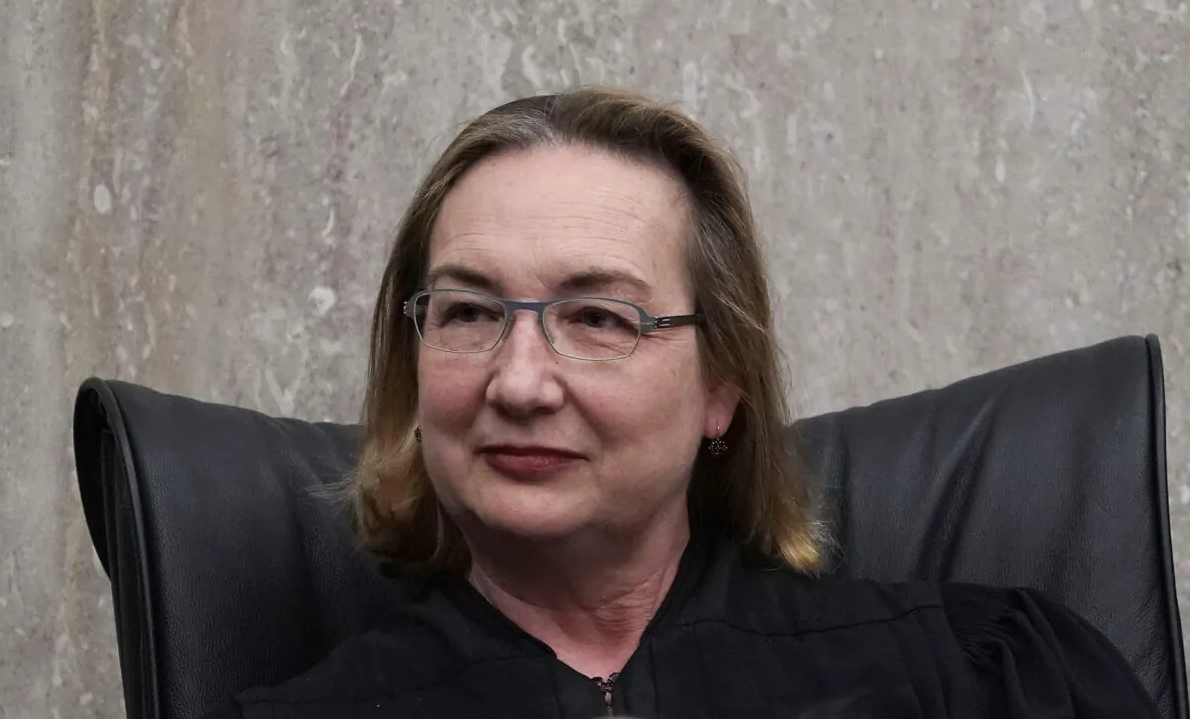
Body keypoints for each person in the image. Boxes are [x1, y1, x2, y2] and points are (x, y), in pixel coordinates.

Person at [204, 87, 1158, 718]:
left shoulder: (975, 676)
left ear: (720, 385)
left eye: (598, 317)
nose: (520, 381)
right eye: (468, 311)